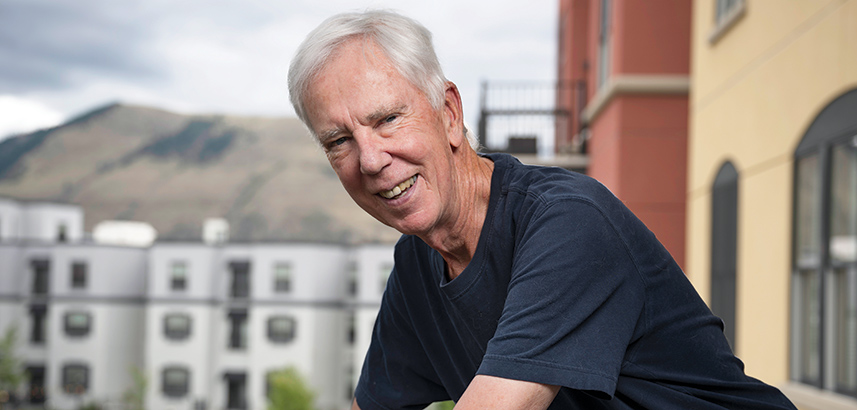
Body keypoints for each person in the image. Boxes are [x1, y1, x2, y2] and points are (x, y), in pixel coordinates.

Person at [288, 10, 797, 410]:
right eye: (339, 141)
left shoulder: (569, 224)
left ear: (448, 115)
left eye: (388, 119)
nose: (372, 159)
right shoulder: (416, 267)